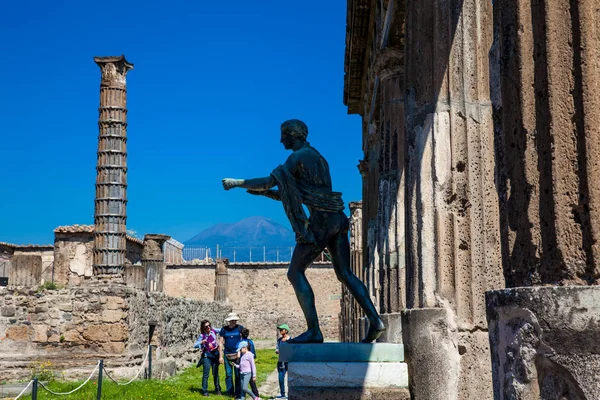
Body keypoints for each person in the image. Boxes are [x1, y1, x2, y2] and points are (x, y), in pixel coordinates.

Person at [222, 119, 385, 343]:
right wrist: (264, 194)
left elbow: (271, 181)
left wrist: (238, 182)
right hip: (337, 218)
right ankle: (375, 320)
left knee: (294, 272)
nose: (281, 140)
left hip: (321, 221)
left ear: (293, 135)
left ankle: (314, 330)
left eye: (283, 135)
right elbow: (293, 193)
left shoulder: (297, 157)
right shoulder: (319, 158)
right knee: (345, 273)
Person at [219, 312, 244, 398]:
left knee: (238, 374)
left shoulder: (240, 328)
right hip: (227, 354)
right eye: (232, 320)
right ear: (229, 321)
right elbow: (221, 343)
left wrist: (241, 352)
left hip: (237, 354)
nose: (233, 322)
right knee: (228, 374)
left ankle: (238, 392)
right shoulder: (224, 329)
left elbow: (243, 341)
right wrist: (220, 356)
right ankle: (230, 392)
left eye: (235, 320)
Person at [194, 320, 221, 396]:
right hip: (207, 355)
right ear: (203, 328)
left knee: (215, 373)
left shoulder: (213, 331)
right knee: (206, 374)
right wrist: (201, 342)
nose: (208, 327)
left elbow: (222, 330)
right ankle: (205, 391)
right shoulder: (202, 336)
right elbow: (195, 345)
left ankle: (218, 389)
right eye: (206, 326)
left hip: (215, 354)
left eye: (209, 325)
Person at [241, 328, 259, 398]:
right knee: (252, 383)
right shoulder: (250, 342)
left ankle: (242, 396)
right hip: (250, 365)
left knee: (242, 383)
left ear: (241, 334)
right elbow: (253, 353)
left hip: (243, 365)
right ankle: (256, 395)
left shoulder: (240, 342)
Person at [274, 324, 290, 399]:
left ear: (286, 331)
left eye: (282, 329)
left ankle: (291, 393)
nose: (280, 331)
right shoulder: (279, 340)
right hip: (281, 361)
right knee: (280, 378)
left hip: (289, 362)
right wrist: (278, 350)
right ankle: (282, 394)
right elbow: (277, 349)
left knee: (291, 379)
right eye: (280, 330)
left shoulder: (291, 340)